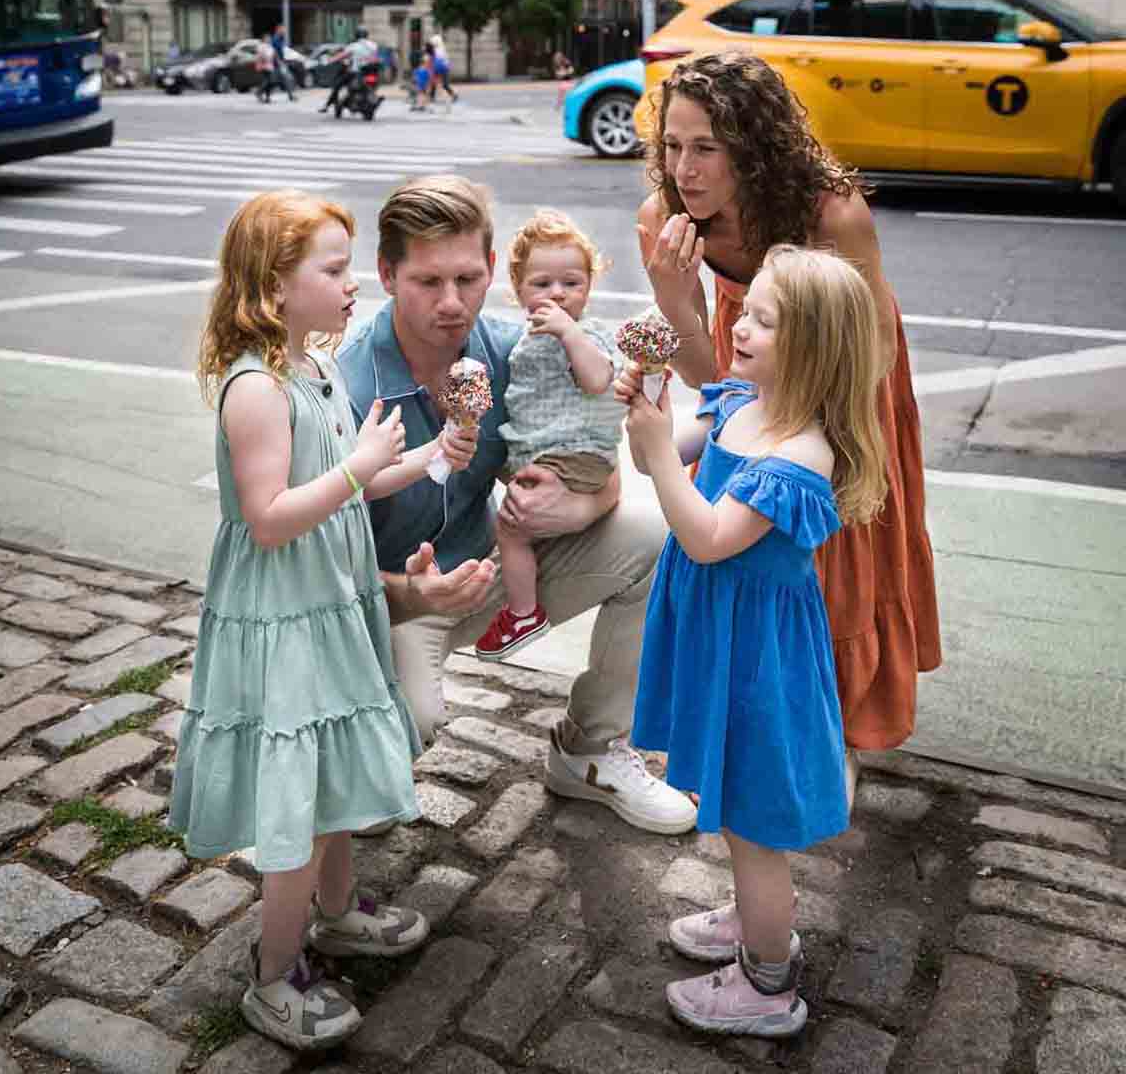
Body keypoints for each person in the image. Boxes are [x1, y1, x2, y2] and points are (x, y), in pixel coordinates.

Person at [169, 190, 479, 1051]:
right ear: (274, 284)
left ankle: (337, 913)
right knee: (297, 800)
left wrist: (421, 456)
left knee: (333, 769)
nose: (352, 286)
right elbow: (270, 515)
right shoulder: (256, 388)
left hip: (331, 601)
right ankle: (274, 976)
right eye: (334, 269)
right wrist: (360, 469)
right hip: (284, 614)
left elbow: (349, 474)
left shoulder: (313, 367)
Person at [339, 175, 697, 835]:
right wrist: (413, 595)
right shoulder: (350, 386)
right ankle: (359, 751)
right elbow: (317, 574)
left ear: (492, 270)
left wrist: (585, 508)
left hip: (490, 570)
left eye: (468, 279)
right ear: (387, 274)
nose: (453, 303)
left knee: (655, 533)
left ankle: (589, 751)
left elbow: (588, 454)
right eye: (427, 282)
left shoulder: (512, 350)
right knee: (397, 752)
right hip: (382, 604)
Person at [636, 51, 941, 792]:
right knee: (756, 539)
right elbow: (715, 386)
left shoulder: (831, 213)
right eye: (673, 146)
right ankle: (763, 713)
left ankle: (835, 723)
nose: (685, 169)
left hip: (843, 363)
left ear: (755, 144)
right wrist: (676, 301)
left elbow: (867, 356)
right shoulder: (665, 218)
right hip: (748, 349)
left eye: (708, 147)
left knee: (841, 542)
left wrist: (797, 425)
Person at [620, 244, 887, 1040]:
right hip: (723, 637)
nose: (741, 327)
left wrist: (663, 453)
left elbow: (704, 535)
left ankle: (769, 983)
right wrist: (651, 411)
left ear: (811, 348)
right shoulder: (743, 404)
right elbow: (659, 458)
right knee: (737, 805)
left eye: (765, 320)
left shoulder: (800, 455)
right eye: (749, 308)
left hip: (757, 659)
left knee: (753, 822)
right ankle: (750, 918)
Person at [475, 210, 622, 661]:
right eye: (542, 284)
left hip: (575, 451)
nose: (557, 293)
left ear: (589, 287)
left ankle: (523, 613)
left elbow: (599, 380)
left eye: (571, 283)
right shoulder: (522, 337)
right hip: (545, 448)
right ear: (518, 288)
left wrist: (570, 334)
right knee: (515, 506)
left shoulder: (589, 335)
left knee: (511, 527)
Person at [270, 22, 297, 101]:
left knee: (286, 79)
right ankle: (260, 92)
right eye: (282, 29)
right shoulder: (275, 39)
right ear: (278, 29)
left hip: (280, 63)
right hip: (278, 63)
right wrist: (279, 61)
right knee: (286, 78)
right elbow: (275, 51)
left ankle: (291, 96)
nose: (284, 31)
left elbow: (283, 50)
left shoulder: (280, 38)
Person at [428, 32, 457, 104]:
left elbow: (438, 60)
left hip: (442, 68)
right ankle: (432, 96)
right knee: (434, 82)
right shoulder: (439, 49)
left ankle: (453, 95)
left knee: (444, 84)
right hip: (440, 68)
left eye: (433, 42)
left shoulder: (439, 50)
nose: (432, 44)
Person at [254, 34, 277, 104]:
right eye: (267, 38)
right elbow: (260, 56)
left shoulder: (270, 47)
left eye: (269, 38)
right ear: (264, 39)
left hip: (270, 66)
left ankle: (267, 97)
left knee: (270, 82)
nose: (269, 40)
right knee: (268, 81)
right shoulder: (261, 46)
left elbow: (273, 56)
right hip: (263, 66)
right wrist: (266, 57)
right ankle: (259, 92)